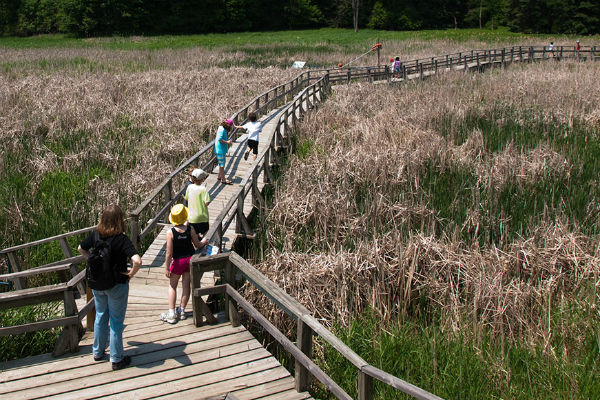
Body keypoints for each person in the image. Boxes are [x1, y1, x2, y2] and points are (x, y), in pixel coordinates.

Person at [78, 204, 141, 370]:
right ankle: (116, 359)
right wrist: (130, 274)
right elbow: (137, 261)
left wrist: (91, 259)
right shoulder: (122, 239)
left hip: (97, 284)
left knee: (100, 316)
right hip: (117, 284)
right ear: (120, 220)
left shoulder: (96, 235)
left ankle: (97, 352)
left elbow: (80, 248)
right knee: (116, 322)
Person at [161, 204, 207, 324]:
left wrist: (167, 268)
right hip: (189, 261)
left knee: (172, 286)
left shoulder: (170, 233)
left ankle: (171, 313)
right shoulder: (190, 229)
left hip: (177, 262)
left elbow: (168, 254)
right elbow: (197, 244)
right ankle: (181, 310)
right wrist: (204, 242)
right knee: (186, 286)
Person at [214, 118, 242, 185]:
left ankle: (219, 176)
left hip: (220, 149)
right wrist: (227, 142)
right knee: (222, 165)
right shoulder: (222, 130)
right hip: (220, 150)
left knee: (221, 163)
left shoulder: (220, 127)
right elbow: (220, 139)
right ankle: (223, 180)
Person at [185, 168, 211, 238]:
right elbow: (207, 203)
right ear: (202, 179)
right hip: (203, 217)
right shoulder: (203, 189)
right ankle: (204, 247)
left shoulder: (189, 187)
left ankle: (195, 247)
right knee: (205, 234)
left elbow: (186, 198)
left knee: (194, 235)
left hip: (192, 217)